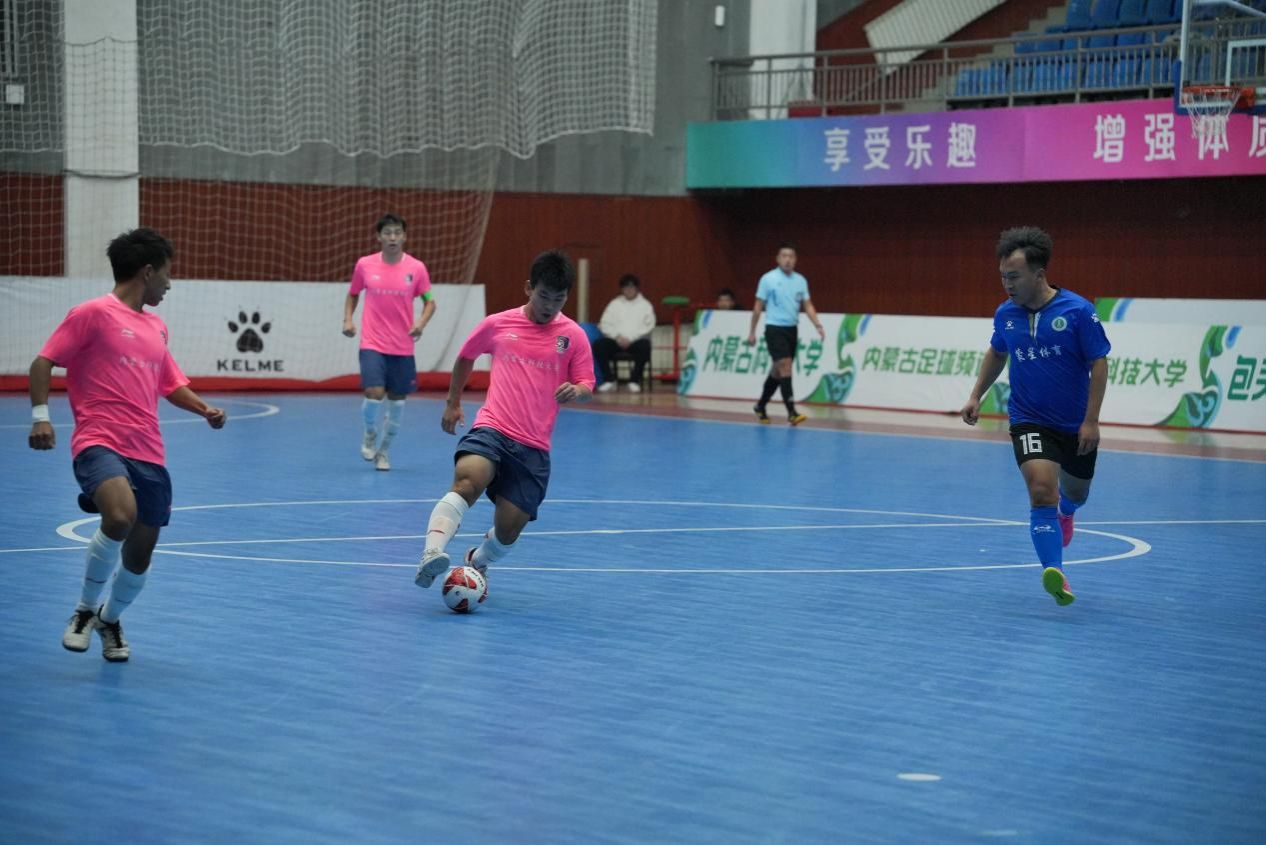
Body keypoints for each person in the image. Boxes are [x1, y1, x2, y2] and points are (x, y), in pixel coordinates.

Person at [28, 228, 227, 662]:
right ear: (148, 271)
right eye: (168, 274)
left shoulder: (157, 327)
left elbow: (170, 383)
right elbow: (43, 362)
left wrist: (204, 409)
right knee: (119, 516)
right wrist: (41, 417)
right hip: (98, 439)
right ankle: (84, 609)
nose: (170, 284)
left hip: (148, 450)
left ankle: (110, 619)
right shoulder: (92, 313)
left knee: (139, 557)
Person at [414, 249, 595, 591]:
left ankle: (478, 560)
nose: (549, 306)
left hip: (533, 446)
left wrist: (578, 390)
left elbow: (587, 384)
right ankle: (432, 552)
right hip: (493, 428)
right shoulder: (498, 324)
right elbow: (466, 357)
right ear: (528, 288)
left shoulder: (573, 336)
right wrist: (453, 403)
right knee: (467, 481)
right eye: (543, 296)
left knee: (509, 530)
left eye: (558, 299)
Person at [961, 226, 1110, 607]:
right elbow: (998, 352)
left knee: (1075, 492)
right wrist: (976, 395)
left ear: (1039, 274)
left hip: (1075, 424)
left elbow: (1099, 362)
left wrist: (1091, 421)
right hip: (1029, 419)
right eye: (1002, 277)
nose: (1007, 284)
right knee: (1042, 490)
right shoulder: (1005, 314)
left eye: (1014, 276)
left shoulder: (1078, 311)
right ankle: (1056, 572)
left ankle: (1068, 513)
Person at [342, 213, 436, 471]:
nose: (392, 237)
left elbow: (430, 301)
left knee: (397, 401)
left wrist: (420, 323)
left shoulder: (416, 268)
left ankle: (383, 451)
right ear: (379, 237)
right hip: (372, 343)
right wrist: (348, 319)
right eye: (387, 233)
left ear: (404, 237)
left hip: (402, 347)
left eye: (397, 233)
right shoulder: (365, 265)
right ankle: (370, 432)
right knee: (374, 393)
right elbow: (353, 294)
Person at [746, 243, 825, 425]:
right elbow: (758, 306)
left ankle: (760, 406)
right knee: (786, 366)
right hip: (774, 328)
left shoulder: (801, 281)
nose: (787, 260)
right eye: (784, 256)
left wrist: (817, 325)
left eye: (791, 256)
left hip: (791, 329)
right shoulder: (768, 279)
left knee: (778, 371)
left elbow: (807, 305)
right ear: (778, 259)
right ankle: (792, 412)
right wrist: (752, 331)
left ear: (795, 260)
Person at [593, 273, 655, 394]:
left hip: (635, 341)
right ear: (622, 289)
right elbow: (604, 323)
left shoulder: (645, 305)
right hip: (617, 340)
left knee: (645, 346)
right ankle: (609, 380)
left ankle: (634, 381)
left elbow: (649, 326)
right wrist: (617, 337)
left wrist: (631, 338)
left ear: (637, 288)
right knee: (599, 345)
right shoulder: (614, 304)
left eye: (632, 287)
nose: (629, 290)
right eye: (626, 287)